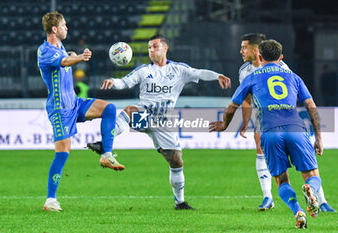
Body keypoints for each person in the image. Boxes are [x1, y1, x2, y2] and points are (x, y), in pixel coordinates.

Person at [87, 34, 231, 210]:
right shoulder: (144, 70)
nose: (151, 50)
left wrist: (218, 76)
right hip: (145, 115)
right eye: (149, 48)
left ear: (165, 48)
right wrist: (113, 81)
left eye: (155, 46)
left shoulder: (179, 70)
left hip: (164, 123)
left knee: (176, 161)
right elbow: (125, 82)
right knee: (130, 111)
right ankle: (104, 144)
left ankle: (180, 202)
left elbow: (199, 72)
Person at [210, 39, 326, 228]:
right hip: (296, 129)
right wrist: (319, 137)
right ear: (281, 57)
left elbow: (232, 106)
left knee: (281, 179)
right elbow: (311, 105)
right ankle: (310, 189)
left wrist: (224, 124)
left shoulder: (251, 77)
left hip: (269, 131)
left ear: (260, 57)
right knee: (312, 174)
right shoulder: (293, 76)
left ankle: (298, 211)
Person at [238, 33, 335, 213]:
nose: (241, 51)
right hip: (269, 119)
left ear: (256, 50)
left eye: (244, 47)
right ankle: (267, 197)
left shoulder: (281, 67)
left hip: (280, 118)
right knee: (266, 151)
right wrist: (245, 121)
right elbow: (247, 99)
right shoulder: (244, 71)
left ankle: (321, 202)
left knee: (287, 171)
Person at [37, 11, 124, 212]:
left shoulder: (60, 46)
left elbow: (66, 57)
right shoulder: (44, 50)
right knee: (63, 153)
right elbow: (64, 62)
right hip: (60, 108)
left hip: (74, 103)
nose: (67, 28)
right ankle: (50, 200)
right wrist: (80, 58)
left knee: (109, 108)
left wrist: (74, 55)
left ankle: (106, 154)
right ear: (54, 29)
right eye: (64, 25)